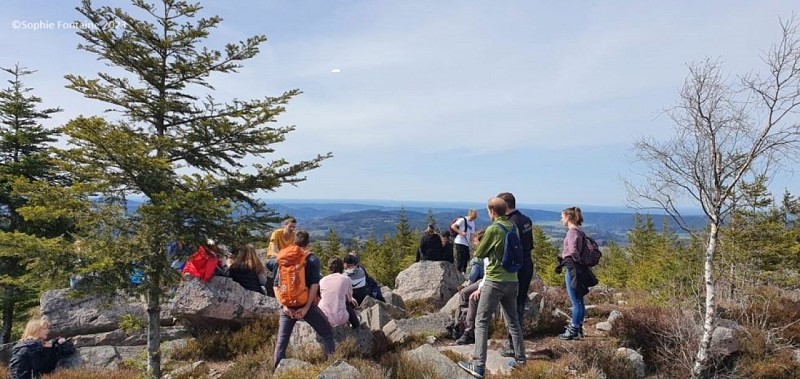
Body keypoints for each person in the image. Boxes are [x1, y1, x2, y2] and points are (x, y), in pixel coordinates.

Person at [458, 198, 526, 378]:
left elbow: (480, 253)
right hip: (513, 280)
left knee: (481, 321)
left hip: (495, 280)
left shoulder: (494, 229)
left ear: (492, 211)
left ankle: (478, 366)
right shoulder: (513, 227)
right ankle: (521, 361)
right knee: (513, 321)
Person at [273, 230, 335, 368]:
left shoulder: (284, 258)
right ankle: (331, 368)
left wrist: (284, 306)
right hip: (306, 305)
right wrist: (306, 308)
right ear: (308, 243)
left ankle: (275, 370)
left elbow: (276, 285)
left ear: (294, 242)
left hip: (287, 306)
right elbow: (314, 285)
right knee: (327, 333)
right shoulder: (311, 259)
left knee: (282, 341)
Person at [497, 192, 535, 357]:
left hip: (516, 268)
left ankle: (513, 345)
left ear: (504, 205)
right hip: (527, 264)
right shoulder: (526, 219)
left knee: (512, 306)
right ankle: (515, 343)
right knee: (519, 303)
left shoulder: (510, 223)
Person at [556, 206, 594, 340]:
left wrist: (575, 261)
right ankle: (578, 328)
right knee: (579, 300)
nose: (561, 219)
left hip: (573, 268)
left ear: (568, 217)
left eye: (562, 216)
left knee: (576, 301)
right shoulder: (579, 232)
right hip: (578, 268)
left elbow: (572, 251)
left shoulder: (572, 232)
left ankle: (574, 330)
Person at [455, 229, 487, 345]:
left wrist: (477, 288)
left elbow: (474, 275)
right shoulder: (482, 253)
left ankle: (467, 330)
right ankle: (460, 324)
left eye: (475, 242)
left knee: (471, 297)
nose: (474, 244)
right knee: (464, 293)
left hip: (486, 281)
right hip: (483, 280)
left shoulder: (480, 256)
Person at [318, 256, 360, 329]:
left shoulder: (323, 280)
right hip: (341, 318)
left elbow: (323, 296)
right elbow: (349, 298)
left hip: (324, 317)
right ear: (342, 267)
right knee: (348, 304)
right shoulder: (346, 279)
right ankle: (356, 325)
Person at [451, 209, 477, 274]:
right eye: (472, 217)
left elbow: (472, 234)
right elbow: (453, 226)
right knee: (460, 258)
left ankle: (463, 271)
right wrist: (461, 232)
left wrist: (473, 243)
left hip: (466, 243)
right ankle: (458, 272)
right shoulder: (462, 220)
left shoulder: (473, 223)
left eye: (474, 218)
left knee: (467, 257)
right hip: (459, 241)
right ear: (469, 215)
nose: (472, 219)